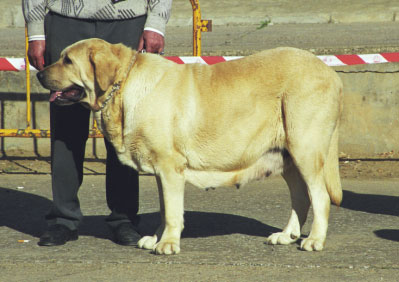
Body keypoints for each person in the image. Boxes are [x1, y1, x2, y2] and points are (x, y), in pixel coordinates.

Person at [22, 0, 172, 246]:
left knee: (124, 125)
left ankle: (124, 218)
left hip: (128, 20)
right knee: (66, 125)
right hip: (65, 18)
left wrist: (156, 23)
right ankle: (63, 218)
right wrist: (36, 29)